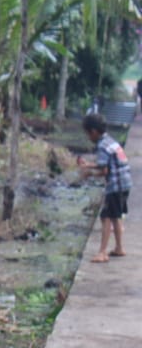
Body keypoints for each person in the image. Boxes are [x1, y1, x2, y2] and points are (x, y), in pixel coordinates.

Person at [77, 112, 131, 263]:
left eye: (88, 134)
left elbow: (104, 169)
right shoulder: (110, 141)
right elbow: (106, 167)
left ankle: (102, 252)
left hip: (115, 185)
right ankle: (119, 247)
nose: (89, 138)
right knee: (116, 215)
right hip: (125, 183)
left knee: (106, 217)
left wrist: (89, 171)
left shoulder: (101, 146)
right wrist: (90, 168)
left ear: (93, 132)